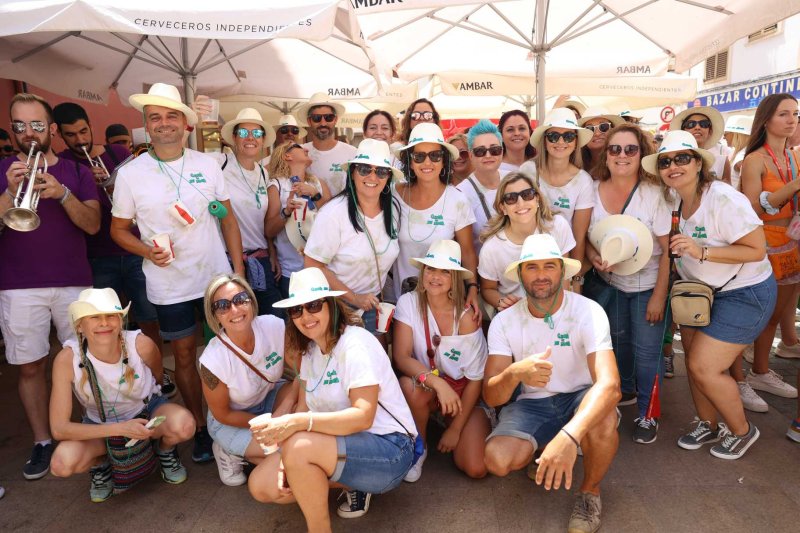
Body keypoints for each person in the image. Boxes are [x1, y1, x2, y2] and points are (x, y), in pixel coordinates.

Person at [110, 83, 245, 464]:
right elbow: (118, 230)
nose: (164, 123)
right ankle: (202, 428)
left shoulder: (207, 164)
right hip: (168, 285)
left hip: (215, 278)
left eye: (172, 116)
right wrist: (146, 250)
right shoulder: (130, 174)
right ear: (146, 126)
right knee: (184, 356)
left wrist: (236, 271)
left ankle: (230, 421)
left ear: (185, 124)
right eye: (156, 117)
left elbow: (229, 221)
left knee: (229, 350)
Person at [642, 130, 776, 459]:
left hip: (744, 292)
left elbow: (757, 249)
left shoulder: (723, 198)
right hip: (698, 292)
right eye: (665, 161)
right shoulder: (672, 198)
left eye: (682, 158)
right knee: (692, 358)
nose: (673, 166)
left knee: (704, 366)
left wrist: (701, 252)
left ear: (699, 163)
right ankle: (708, 423)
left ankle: (743, 431)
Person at [247, 267, 417, 528]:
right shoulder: (309, 352)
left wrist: (296, 431)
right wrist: (287, 456)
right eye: (296, 310)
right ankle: (353, 483)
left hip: (391, 449)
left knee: (299, 449)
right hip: (343, 446)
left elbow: (363, 416)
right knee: (262, 485)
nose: (305, 316)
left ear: (332, 305)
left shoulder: (355, 344)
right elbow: (303, 407)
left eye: (314, 305)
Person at [483, 233, 620, 533]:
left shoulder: (587, 311)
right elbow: (491, 396)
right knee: (497, 460)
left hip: (580, 397)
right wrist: (515, 373)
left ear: (562, 271)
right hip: (533, 404)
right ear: (520, 274)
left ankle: (590, 492)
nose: (541, 275)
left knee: (604, 418)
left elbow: (610, 386)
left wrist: (569, 437)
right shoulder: (504, 321)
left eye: (549, 266)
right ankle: (545, 446)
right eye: (531, 267)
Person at [0, 93, 101, 480]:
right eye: (20, 126)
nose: (29, 133)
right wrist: (10, 193)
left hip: (74, 282)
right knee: (30, 367)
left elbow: (92, 225)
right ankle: (43, 441)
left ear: (52, 129)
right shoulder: (2, 169)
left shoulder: (75, 171)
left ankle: (90, 432)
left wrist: (62, 194)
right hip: (18, 285)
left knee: (85, 361)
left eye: (37, 125)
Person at [52, 102, 174, 393]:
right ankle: (120, 379)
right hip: (98, 255)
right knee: (109, 323)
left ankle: (155, 375)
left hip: (134, 248)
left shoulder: (118, 153)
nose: (80, 140)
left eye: (83, 131)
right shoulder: (65, 164)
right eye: (71, 135)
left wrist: (110, 187)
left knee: (148, 317)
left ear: (91, 126)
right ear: (61, 136)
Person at [48, 288, 195, 501]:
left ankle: (165, 451)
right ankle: (101, 465)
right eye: (94, 317)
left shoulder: (140, 344)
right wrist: (120, 429)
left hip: (146, 413)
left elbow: (157, 376)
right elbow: (59, 429)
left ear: (120, 320)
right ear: (80, 325)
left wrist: (138, 424)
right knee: (61, 464)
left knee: (185, 425)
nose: (104, 323)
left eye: (111, 316)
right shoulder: (67, 359)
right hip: (100, 425)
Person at [586, 124, 671, 443]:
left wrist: (658, 297)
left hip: (647, 285)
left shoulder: (653, 194)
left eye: (630, 149)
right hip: (608, 286)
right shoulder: (592, 189)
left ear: (642, 154)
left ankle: (649, 415)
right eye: (615, 149)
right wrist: (593, 255)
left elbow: (667, 251)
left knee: (647, 353)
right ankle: (625, 395)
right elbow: (586, 235)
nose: (622, 156)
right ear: (605, 154)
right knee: (617, 347)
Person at [393, 240, 490, 481]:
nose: (435, 276)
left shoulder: (466, 317)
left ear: (455, 278)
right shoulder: (408, 302)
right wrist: (438, 384)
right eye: (430, 268)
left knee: (476, 467)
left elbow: (476, 379)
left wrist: (456, 430)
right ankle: (420, 446)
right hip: (430, 387)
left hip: (463, 393)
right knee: (409, 387)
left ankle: (449, 424)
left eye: (444, 271)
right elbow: (401, 357)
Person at [199, 274, 297, 486]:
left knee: (298, 435)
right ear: (214, 315)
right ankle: (229, 451)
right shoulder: (211, 360)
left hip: (268, 399)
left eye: (240, 299)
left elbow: (302, 372)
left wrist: (284, 409)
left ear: (251, 301)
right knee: (283, 455)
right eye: (222, 305)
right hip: (231, 421)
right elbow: (222, 413)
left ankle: (253, 452)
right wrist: (267, 426)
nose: (234, 310)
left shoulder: (273, 326)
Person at [304, 139, 401, 335]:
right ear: (353, 172)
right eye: (365, 169)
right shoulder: (333, 213)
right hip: (337, 309)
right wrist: (354, 297)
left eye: (381, 171)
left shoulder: (393, 210)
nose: (373, 176)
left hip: (373, 306)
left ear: (388, 177)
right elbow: (312, 265)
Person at [739, 94, 800, 404]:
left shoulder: (794, 156)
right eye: (783, 114)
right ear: (765, 120)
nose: (792, 120)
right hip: (765, 246)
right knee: (758, 315)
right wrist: (794, 186)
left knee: (777, 315)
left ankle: (761, 372)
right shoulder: (754, 160)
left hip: (794, 243)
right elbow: (751, 211)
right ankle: (744, 376)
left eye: (795, 114)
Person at [392, 123, 481, 318]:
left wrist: (472, 288)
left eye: (435, 156)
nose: (427, 163)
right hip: (402, 300)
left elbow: (467, 251)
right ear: (410, 161)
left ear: (444, 161)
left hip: (444, 300)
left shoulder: (457, 200)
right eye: (419, 156)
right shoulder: (394, 194)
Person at [214, 108, 284, 318]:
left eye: (257, 133)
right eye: (243, 133)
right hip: (227, 261)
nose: (250, 138)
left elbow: (264, 221)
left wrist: (272, 252)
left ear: (263, 140)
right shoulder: (219, 164)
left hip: (260, 259)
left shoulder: (264, 173)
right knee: (237, 321)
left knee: (274, 320)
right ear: (234, 138)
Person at [479, 172, 575, 311]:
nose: (520, 203)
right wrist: (502, 302)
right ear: (503, 208)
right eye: (510, 198)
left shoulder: (558, 226)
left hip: (555, 306)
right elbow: (488, 289)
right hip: (516, 311)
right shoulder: (492, 248)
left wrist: (562, 310)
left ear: (537, 199)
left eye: (527, 195)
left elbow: (564, 275)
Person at [522, 107, 594, 292]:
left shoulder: (583, 181)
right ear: (544, 140)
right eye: (554, 136)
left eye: (568, 136)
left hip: (562, 262)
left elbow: (578, 237)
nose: (561, 141)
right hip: (526, 259)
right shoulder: (527, 171)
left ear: (576, 141)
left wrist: (575, 279)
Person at [265, 142, 329, 297]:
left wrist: (315, 195)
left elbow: (333, 218)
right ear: (287, 155)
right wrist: (286, 211)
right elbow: (269, 230)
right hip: (291, 271)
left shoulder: (318, 183)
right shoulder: (276, 186)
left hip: (321, 269)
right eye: (300, 147)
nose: (306, 149)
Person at [456, 119, 504, 254]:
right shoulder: (461, 193)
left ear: (502, 151)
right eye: (480, 151)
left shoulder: (513, 180)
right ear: (471, 155)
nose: (488, 155)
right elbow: (466, 249)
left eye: (494, 149)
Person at [297, 93, 357, 196]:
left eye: (328, 117)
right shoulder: (299, 153)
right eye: (317, 118)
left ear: (335, 120)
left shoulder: (353, 153)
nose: (323, 123)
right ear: (309, 121)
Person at [670, 106, 731, 183]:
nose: (697, 127)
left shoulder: (722, 162)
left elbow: (729, 193)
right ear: (683, 131)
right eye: (691, 124)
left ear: (710, 131)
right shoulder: (672, 161)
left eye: (704, 124)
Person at [578, 107, 624, 180]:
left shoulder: (623, 163)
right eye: (590, 129)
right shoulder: (576, 167)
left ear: (613, 130)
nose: (597, 133)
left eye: (603, 127)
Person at [498, 110, 535, 174]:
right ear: (501, 135)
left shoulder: (539, 165)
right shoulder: (494, 167)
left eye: (522, 128)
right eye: (510, 129)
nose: (517, 133)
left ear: (529, 132)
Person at [723, 115, 753, 191]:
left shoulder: (741, 157)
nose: (724, 137)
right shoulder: (743, 153)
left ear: (736, 134)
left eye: (725, 133)